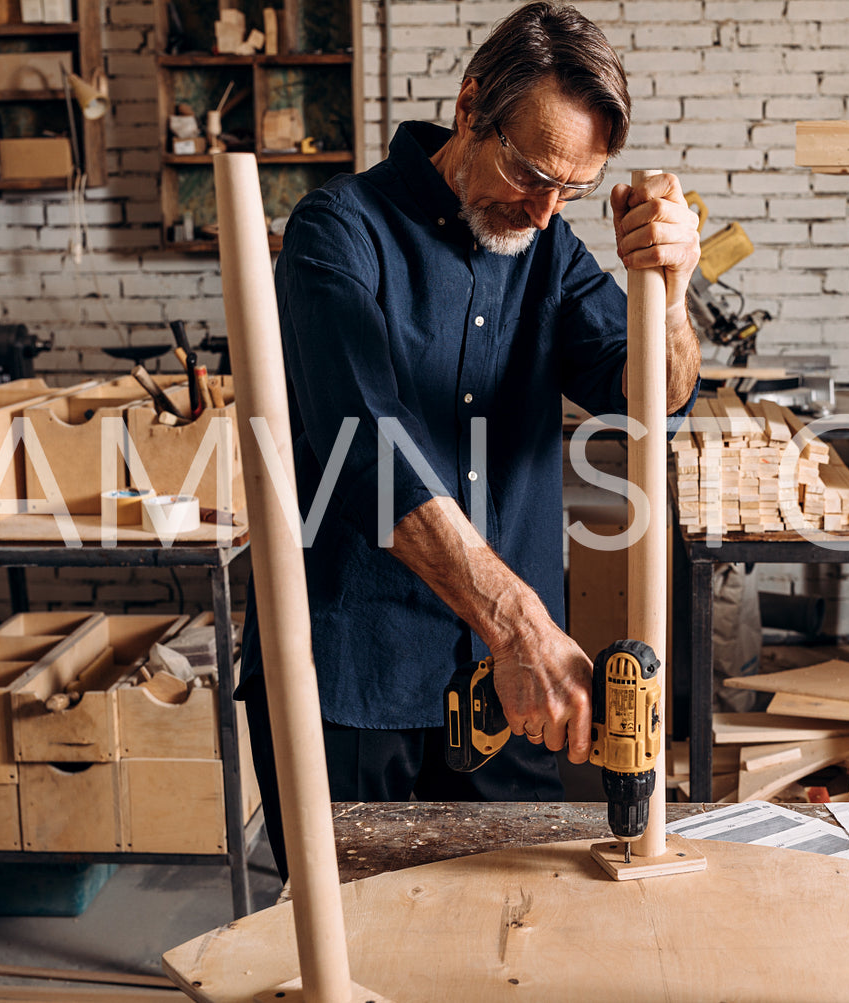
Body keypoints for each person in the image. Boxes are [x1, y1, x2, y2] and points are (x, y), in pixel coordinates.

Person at [236, 0, 702, 880]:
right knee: (350, 944)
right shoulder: (335, 233)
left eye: (573, 188)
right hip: (352, 675)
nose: (543, 210)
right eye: (530, 172)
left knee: (504, 946)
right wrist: (521, 621)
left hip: (506, 693)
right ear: (470, 104)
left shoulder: (552, 251)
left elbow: (652, 402)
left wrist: (671, 294)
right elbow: (364, 456)